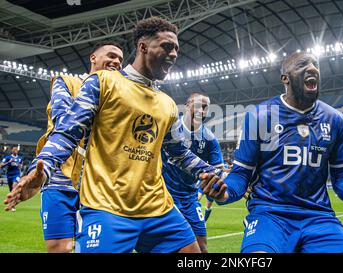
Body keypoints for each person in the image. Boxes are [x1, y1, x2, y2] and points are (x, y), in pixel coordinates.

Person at [4, 16, 220, 253]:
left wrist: (211, 171)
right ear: (143, 46)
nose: (174, 54)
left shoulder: (166, 103)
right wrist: (42, 170)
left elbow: (178, 152)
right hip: (107, 207)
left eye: (177, 49)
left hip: (159, 208)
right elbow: (67, 132)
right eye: (167, 46)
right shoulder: (102, 82)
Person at [200, 52, 343, 253]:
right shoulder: (259, 116)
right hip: (269, 215)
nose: (312, 68)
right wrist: (224, 193)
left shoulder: (336, 120)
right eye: (302, 65)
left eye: (315, 65)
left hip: (319, 217)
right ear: (285, 78)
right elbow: (241, 175)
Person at [34, 41, 124, 253]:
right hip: (60, 179)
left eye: (120, 59)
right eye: (111, 56)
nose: (117, 62)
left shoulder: (120, 96)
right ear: (93, 58)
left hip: (99, 184)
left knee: (99, 248)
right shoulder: (67, 81)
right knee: (60, 248)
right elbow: (63, 119)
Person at [162, 92, 224, 253]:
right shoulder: (169, 129)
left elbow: (219, 172)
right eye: (198, 106)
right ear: (187, 105)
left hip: (190, 198)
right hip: (164, 196)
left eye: (205, 108)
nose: (201, 111)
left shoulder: (210, 139)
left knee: (202, 247)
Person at [0, 146, 23, 211]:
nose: (15, 150)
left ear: (17, 151)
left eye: (16, 149)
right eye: (14, 149)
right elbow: (1, 166)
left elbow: (21, 167)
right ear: (12, 151)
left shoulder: (20, 158)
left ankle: (12, 206)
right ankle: (11, 202)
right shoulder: (7, 158)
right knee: (11, 190)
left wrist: (20, 166)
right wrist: (9, 162)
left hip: (16, 175)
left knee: (14, 187)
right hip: (9, 175)